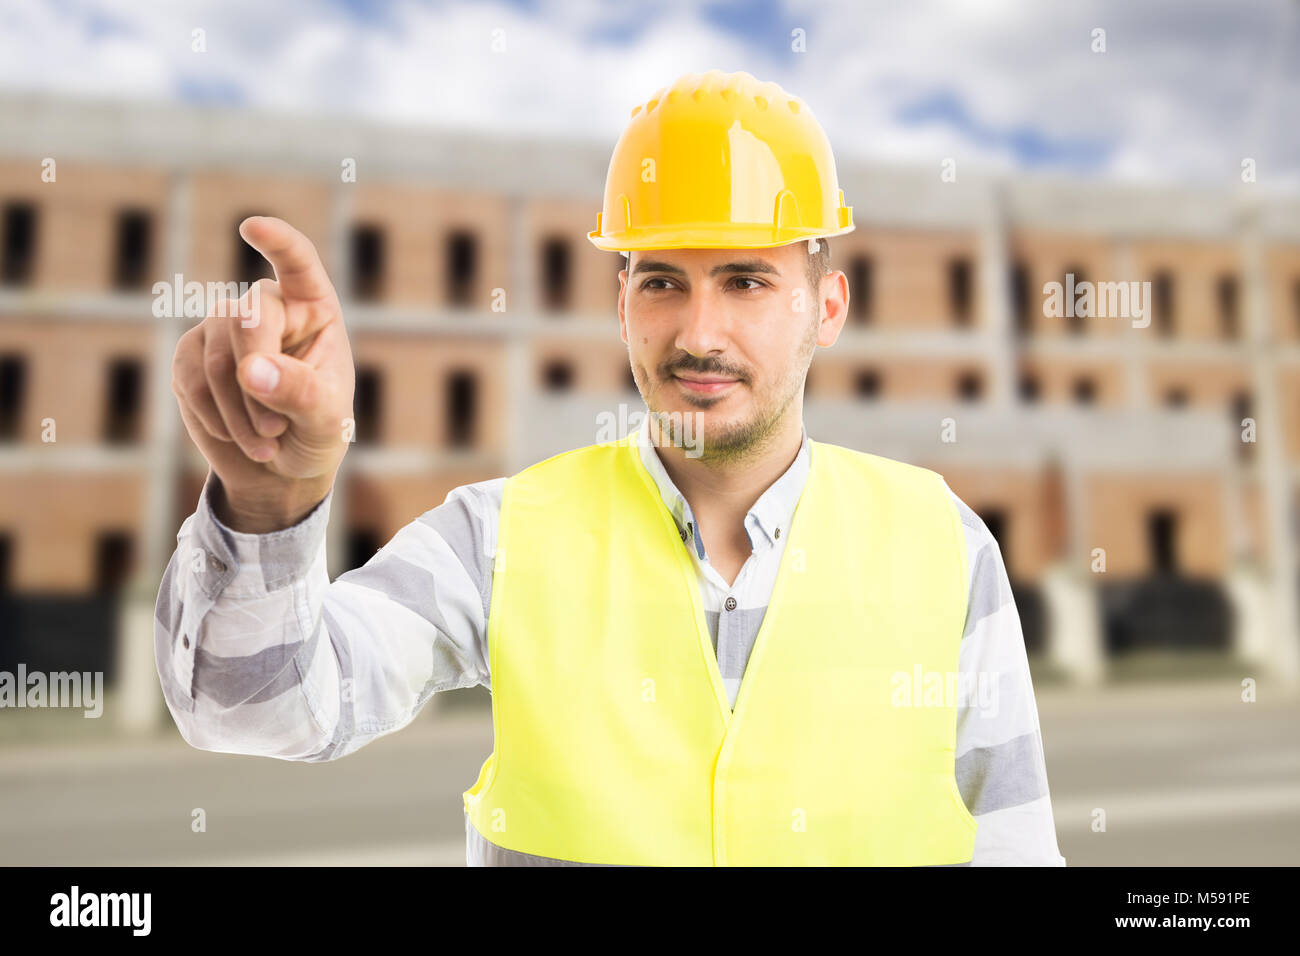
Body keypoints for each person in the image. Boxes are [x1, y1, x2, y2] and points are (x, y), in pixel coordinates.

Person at [156, 69, 1065, 866]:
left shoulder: (942, 546)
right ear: (621, 302)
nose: (699, 334)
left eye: (745, 281)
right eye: (663, 280)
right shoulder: (500, 538)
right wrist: (269, 503)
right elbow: (262, 711)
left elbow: (1014, 850)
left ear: (826, 309)